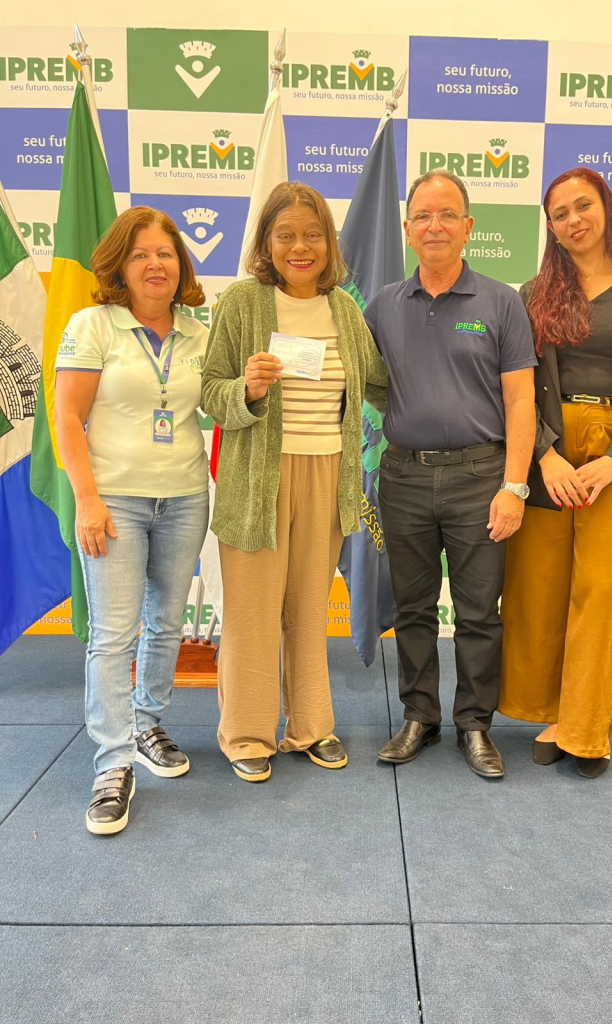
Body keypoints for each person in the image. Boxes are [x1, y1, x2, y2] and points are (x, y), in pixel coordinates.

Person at [201, 182, 388, 783]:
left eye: (312, 235)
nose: (300, 247)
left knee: (309, 610)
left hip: (328, 475)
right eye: (286, 235)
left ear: (329, 243)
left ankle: (310, 726)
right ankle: (247, 734)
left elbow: (379, 382)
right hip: (256, 479)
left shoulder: (345, 310)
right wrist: (247, 389)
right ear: (266, 242)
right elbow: (211, 392)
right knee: (253, 614)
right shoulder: (241, 303)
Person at [498, 167, 612, 778]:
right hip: (546, 455)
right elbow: (515, 386)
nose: (573, 219)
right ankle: (552, 711)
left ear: (606, 207)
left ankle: (586, 728)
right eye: (560, 213)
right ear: (549, 227)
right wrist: (544, 455)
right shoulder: (532, 294)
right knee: (540, 589)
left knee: (601, 594)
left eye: (583, 205)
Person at [365, 169, 537, 779]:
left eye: (446, 215)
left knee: (478, 613)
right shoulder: (382, 306)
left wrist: (514, 486)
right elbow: (357, 383)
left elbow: (521, 401)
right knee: (412, 608)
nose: (433, 225)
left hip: (481, 478)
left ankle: (474, 724)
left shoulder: (501, 301)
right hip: (403, 478)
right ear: (407, 229)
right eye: (422, 215)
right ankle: (420, 716)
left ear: (468, 227)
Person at [54, 207, 210, 834]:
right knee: (114, 635)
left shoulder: (199, 333)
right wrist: (87, 499)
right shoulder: (93, 324)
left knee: (166, 624)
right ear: (121, 264)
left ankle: (146, 724)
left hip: (185, 497)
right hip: (113, 500)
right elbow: (67, 418)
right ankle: (113, 763)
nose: (154, 264)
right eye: (141, 253)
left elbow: (219, 404)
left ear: (181, 265)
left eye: (165, 253)